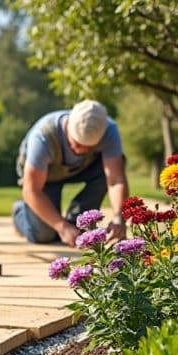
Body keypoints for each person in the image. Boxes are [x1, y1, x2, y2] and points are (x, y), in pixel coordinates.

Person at [12, 99, 129, 247]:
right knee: (44, 234)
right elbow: (31, 190)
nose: (81, 151)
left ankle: (76, 220)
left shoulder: (109, 130)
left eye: (89, 147)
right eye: (77, 144)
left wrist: (119, 216)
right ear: (68, 127)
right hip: (45, 178)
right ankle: (20, 212)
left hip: (82, 169)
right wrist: (62, 226)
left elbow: (116, 179)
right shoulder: (43, 136)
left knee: (80, 229)